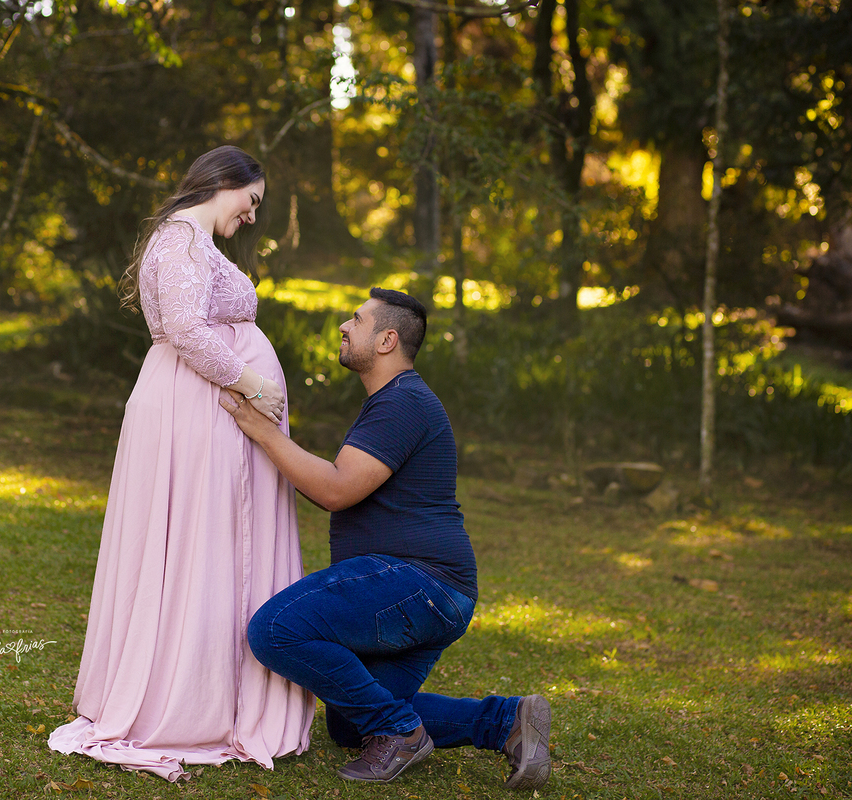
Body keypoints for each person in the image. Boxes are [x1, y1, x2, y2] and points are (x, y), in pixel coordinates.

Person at [48, 145, 314, 782]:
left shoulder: (192, 242)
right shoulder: (180, 241)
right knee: (199, 537)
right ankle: (185, 697)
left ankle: (215, 687)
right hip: (195, 410)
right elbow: (188, 330)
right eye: (252, 201)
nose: (252, 217)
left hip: (202, 406)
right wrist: (250, 380)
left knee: (213, 541)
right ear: (226, 182)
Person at [219, 288, 552, 787]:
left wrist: (262, 431)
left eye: (357, 319)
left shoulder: (404, 403)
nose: (344, 326)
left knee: (274, 630)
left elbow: (335, 489)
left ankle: (400, 732)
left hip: (421, 582)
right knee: (351, 721)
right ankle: (505, 721)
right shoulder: (395, 402)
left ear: (386, 340)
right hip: (435, 592)